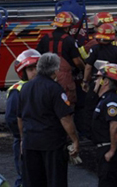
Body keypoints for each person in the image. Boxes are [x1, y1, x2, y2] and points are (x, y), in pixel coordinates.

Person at [17, 52, 79, 187]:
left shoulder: (24, 88)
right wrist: (74, 140)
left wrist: (23, 139)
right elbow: (65, 118)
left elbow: (20, 118)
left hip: (30, 143)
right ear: (55, 70)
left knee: (33, 182)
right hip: (51, 145)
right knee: (55, 181)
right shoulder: (55, 89)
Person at [5, 49, 41, 187]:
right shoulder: (17, 90)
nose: (35, 72)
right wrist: (22, 136)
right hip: (25, 140)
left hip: (40, 139)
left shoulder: (45, 86)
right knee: (25, 176)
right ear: (23, 72)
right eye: (30, 69)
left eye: (37, 68)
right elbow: (11, 118)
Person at [36, 11, 85, 107]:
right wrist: (84, 69)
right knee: (66, 105)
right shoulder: (69, 40)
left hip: (46, 77)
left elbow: (37, 56)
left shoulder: (45, 38)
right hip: (64, 79)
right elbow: (77, 61)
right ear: (67, 27)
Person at [91, 63, 117, 187]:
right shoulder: (105, 99)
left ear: (105, 81)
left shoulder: (110, 101)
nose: (96, 81)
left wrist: (112, 150)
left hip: (110, 150)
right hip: (105, 149)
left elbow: (115, 126)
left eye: (98, 78)